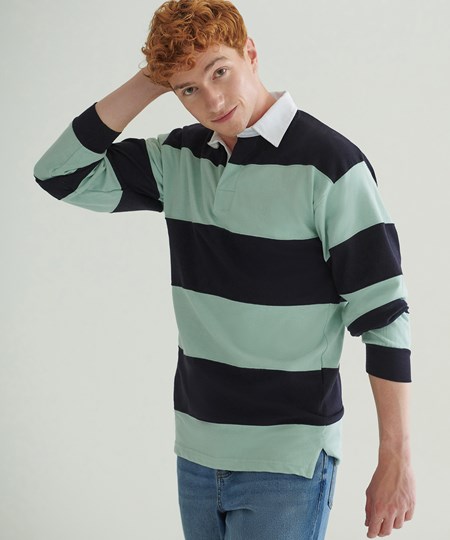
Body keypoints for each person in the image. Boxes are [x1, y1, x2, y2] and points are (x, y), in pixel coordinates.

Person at [33, 1, 416, 538]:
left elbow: (384, 316)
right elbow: (58, 174)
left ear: (250, 53)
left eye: (219, 71)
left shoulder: (331, 166)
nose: (211, 100)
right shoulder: (178, 160)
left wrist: (395, 457)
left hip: (287, 459)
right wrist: (151, 80)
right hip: (196, 452)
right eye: (188, 89)